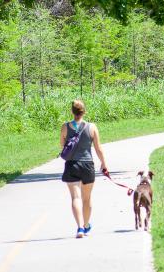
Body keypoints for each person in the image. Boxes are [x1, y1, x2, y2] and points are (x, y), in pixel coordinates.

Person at [60, 100, 108, 239]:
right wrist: (104, 164)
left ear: (72, 112)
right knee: (87, 198)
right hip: (87, 164)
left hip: (71, 164)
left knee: (75, 197)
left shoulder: (65, 127)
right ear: (84, 111)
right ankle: (86, 225)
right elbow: (98, 148)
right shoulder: (92, 127)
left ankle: (80, 227)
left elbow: (62, 145)